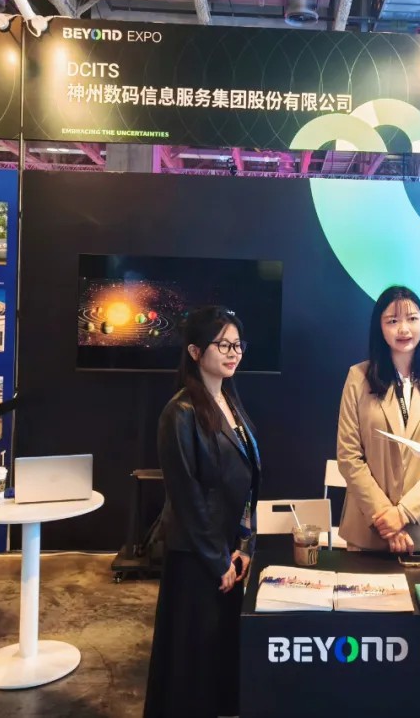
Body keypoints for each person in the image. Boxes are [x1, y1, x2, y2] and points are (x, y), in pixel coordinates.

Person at [144, 306, 260, 718]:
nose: (233, 353)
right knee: (189, 665)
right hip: (196, 557)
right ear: (195, 351)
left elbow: (247, 480)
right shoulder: (179, 412)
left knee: (216, 658)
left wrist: (244, 545)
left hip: (228, 552)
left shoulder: (229, 400)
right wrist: (217, 560)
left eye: (238, 345)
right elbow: (187, 496)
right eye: (223, 344)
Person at [336, 286, 420, 553]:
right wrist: (386, 517)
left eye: (412, 319)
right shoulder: (358, 378)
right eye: (393, 321)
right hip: (370, 528)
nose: (404, 329)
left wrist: (403, 513)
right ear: (379, 327)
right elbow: (349, 457)